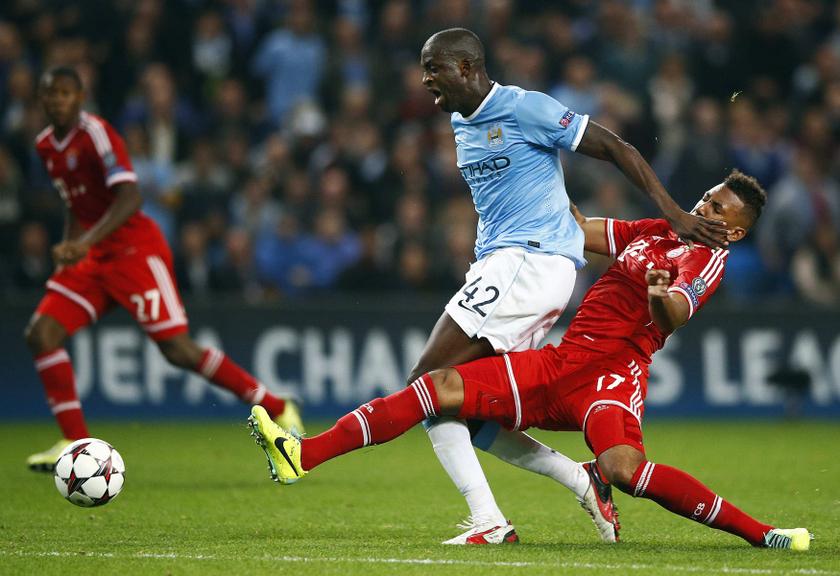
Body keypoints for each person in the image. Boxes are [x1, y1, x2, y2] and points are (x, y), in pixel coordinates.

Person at [247, 170, 811, 551]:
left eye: (717, 207)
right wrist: (540, 176)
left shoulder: (707, 256)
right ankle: (306, 455)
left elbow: (675, 315)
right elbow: (580, 231)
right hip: (570, 363)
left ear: (735, 229)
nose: (703, 207)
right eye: (707, 197)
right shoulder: (659, 230)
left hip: (609, 376)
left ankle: (762, 534)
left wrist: (659, 293)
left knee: (620, 467)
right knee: (444, 395)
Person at [384, 27, 728, 544]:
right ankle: (578, 481)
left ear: (466, 67)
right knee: (455, 399)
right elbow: (518, 194)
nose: (425, 78)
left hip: (527, 267)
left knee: (428, 384)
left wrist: (674, 213)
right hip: (500, 264)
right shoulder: (460, 122)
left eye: (433, 67)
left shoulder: (526, 108)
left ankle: (489, 520)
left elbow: (617, 148)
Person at [24, 67, 303, 471]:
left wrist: (84, 242)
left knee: (178, 350)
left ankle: (277, 406)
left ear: (81, 97)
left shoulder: (97, 134)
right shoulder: (45, 145)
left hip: (135, 252)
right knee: (42, 334)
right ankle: (75, 442)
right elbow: (76, 203)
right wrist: (72, 246)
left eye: (65, 93)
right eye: (50, 93)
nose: (57, 100)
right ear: (41, 99)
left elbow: (131, 197)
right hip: (93, 258)